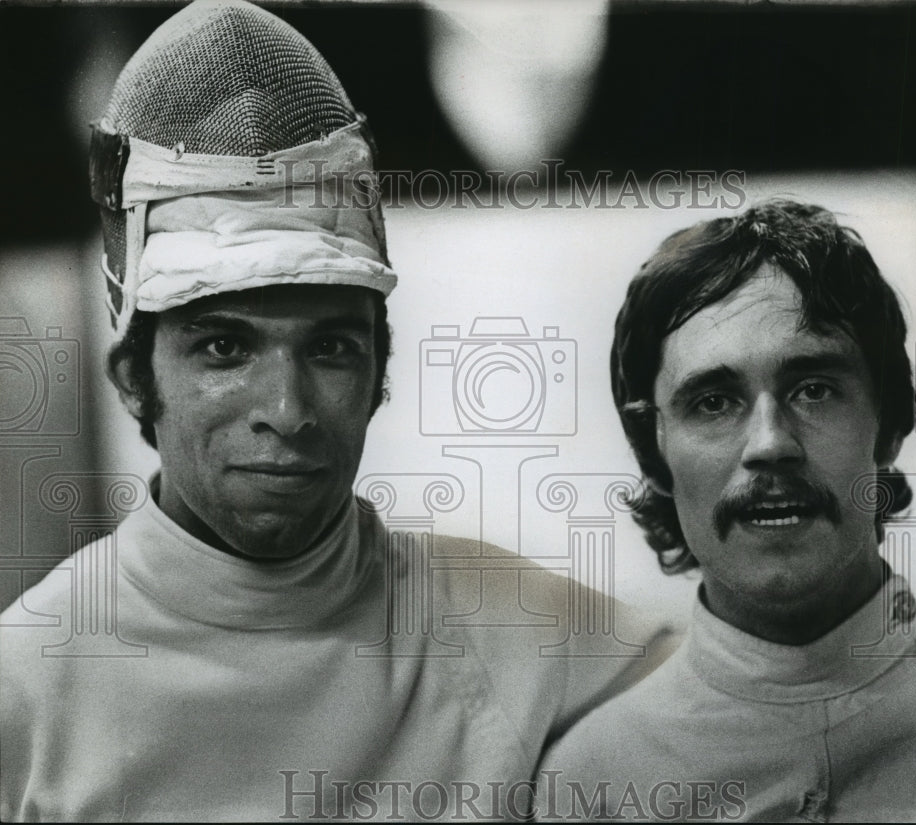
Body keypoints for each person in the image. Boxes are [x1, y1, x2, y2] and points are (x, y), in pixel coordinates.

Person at [0, 2, 673, 820]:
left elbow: (791, 701)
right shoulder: (28, 685)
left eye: (329, 349)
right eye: (224, 348)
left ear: (380, 371)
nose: (287, 410)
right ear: (135, 377)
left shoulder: (518, 637)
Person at [538, 200, 916, 822]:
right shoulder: (594, 783)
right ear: (652, 453)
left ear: (889, 422)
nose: (770, 444)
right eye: (713, 402)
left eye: (813, 389)